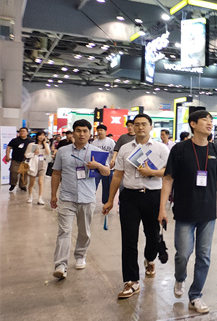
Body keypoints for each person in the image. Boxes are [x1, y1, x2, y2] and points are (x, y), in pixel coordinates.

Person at [159, 111, 217, 313]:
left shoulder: (216, 150)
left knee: (204, 256)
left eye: (211, 120)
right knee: (183, 254)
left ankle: (196, 295)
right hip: (185, 211)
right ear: (193, 124)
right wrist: (162, 208)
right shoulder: (180, 149)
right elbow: (168, 179)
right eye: (205, 119)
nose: (210, 123)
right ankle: (180, 277)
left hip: (208, 212)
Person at [102, 114, 170, 299]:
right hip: (130, 197)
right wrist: (110, 200)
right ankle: (131, 281)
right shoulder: (125, 148)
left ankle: (150, 258)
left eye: (144, 124)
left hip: (153, 196)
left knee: (153, 236)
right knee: (129, 239)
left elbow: (168, 173)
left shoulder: (161, 148)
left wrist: (150, 172)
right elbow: (118, 175)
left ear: (151, 127)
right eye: (137, 124)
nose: (140, 127)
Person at [50, 120, 110, 279]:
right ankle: (60, 265)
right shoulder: (62, 151)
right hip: (66, 198)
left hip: (87, 198)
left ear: (90, 134)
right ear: (73, 133)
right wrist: (53, 194)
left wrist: (97, 165)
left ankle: (80, 255)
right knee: (64, 231)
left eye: (85, 131)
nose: (81, 134)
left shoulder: (96, 151)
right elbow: (56, 173)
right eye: (78, 130)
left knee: (84, 231)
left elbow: (107, 172)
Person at [92, 124, 116, 206]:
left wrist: (113, 162)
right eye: (98, 130)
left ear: (105, 131)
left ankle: (106, 203)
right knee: (93, 185)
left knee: (107, 187)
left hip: (107, 168)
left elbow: (114, 153)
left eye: (101, 130)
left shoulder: (110, 142)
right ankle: (91, 201)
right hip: (96, 168)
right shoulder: (94, 142)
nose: (99, 132)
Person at [25, 130, 51, 204]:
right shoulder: (32, 145)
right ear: (37, 136)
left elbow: (48, 153)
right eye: (40, 135)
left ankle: (40, 198)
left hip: (43, 163)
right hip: (34, 163)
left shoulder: (46, 145)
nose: (41, 137)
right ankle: (30, 196)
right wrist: (34, 153)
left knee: (40, 181)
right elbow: (26, 154)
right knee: (32, 182)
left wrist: (45, 143)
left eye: (43, 135)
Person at [4, 127, 34, 191]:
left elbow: (34, 150)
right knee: (13, 172)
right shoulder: (14, 140)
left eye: (23, 131)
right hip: (15, 159)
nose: (22, 132)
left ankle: (23, 186)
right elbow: (8, 147)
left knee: (24, 174)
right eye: (21, 131)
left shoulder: (31, 141)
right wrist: (7, 156)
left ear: (27, 132)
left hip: (26, 160)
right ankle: (13, 184)